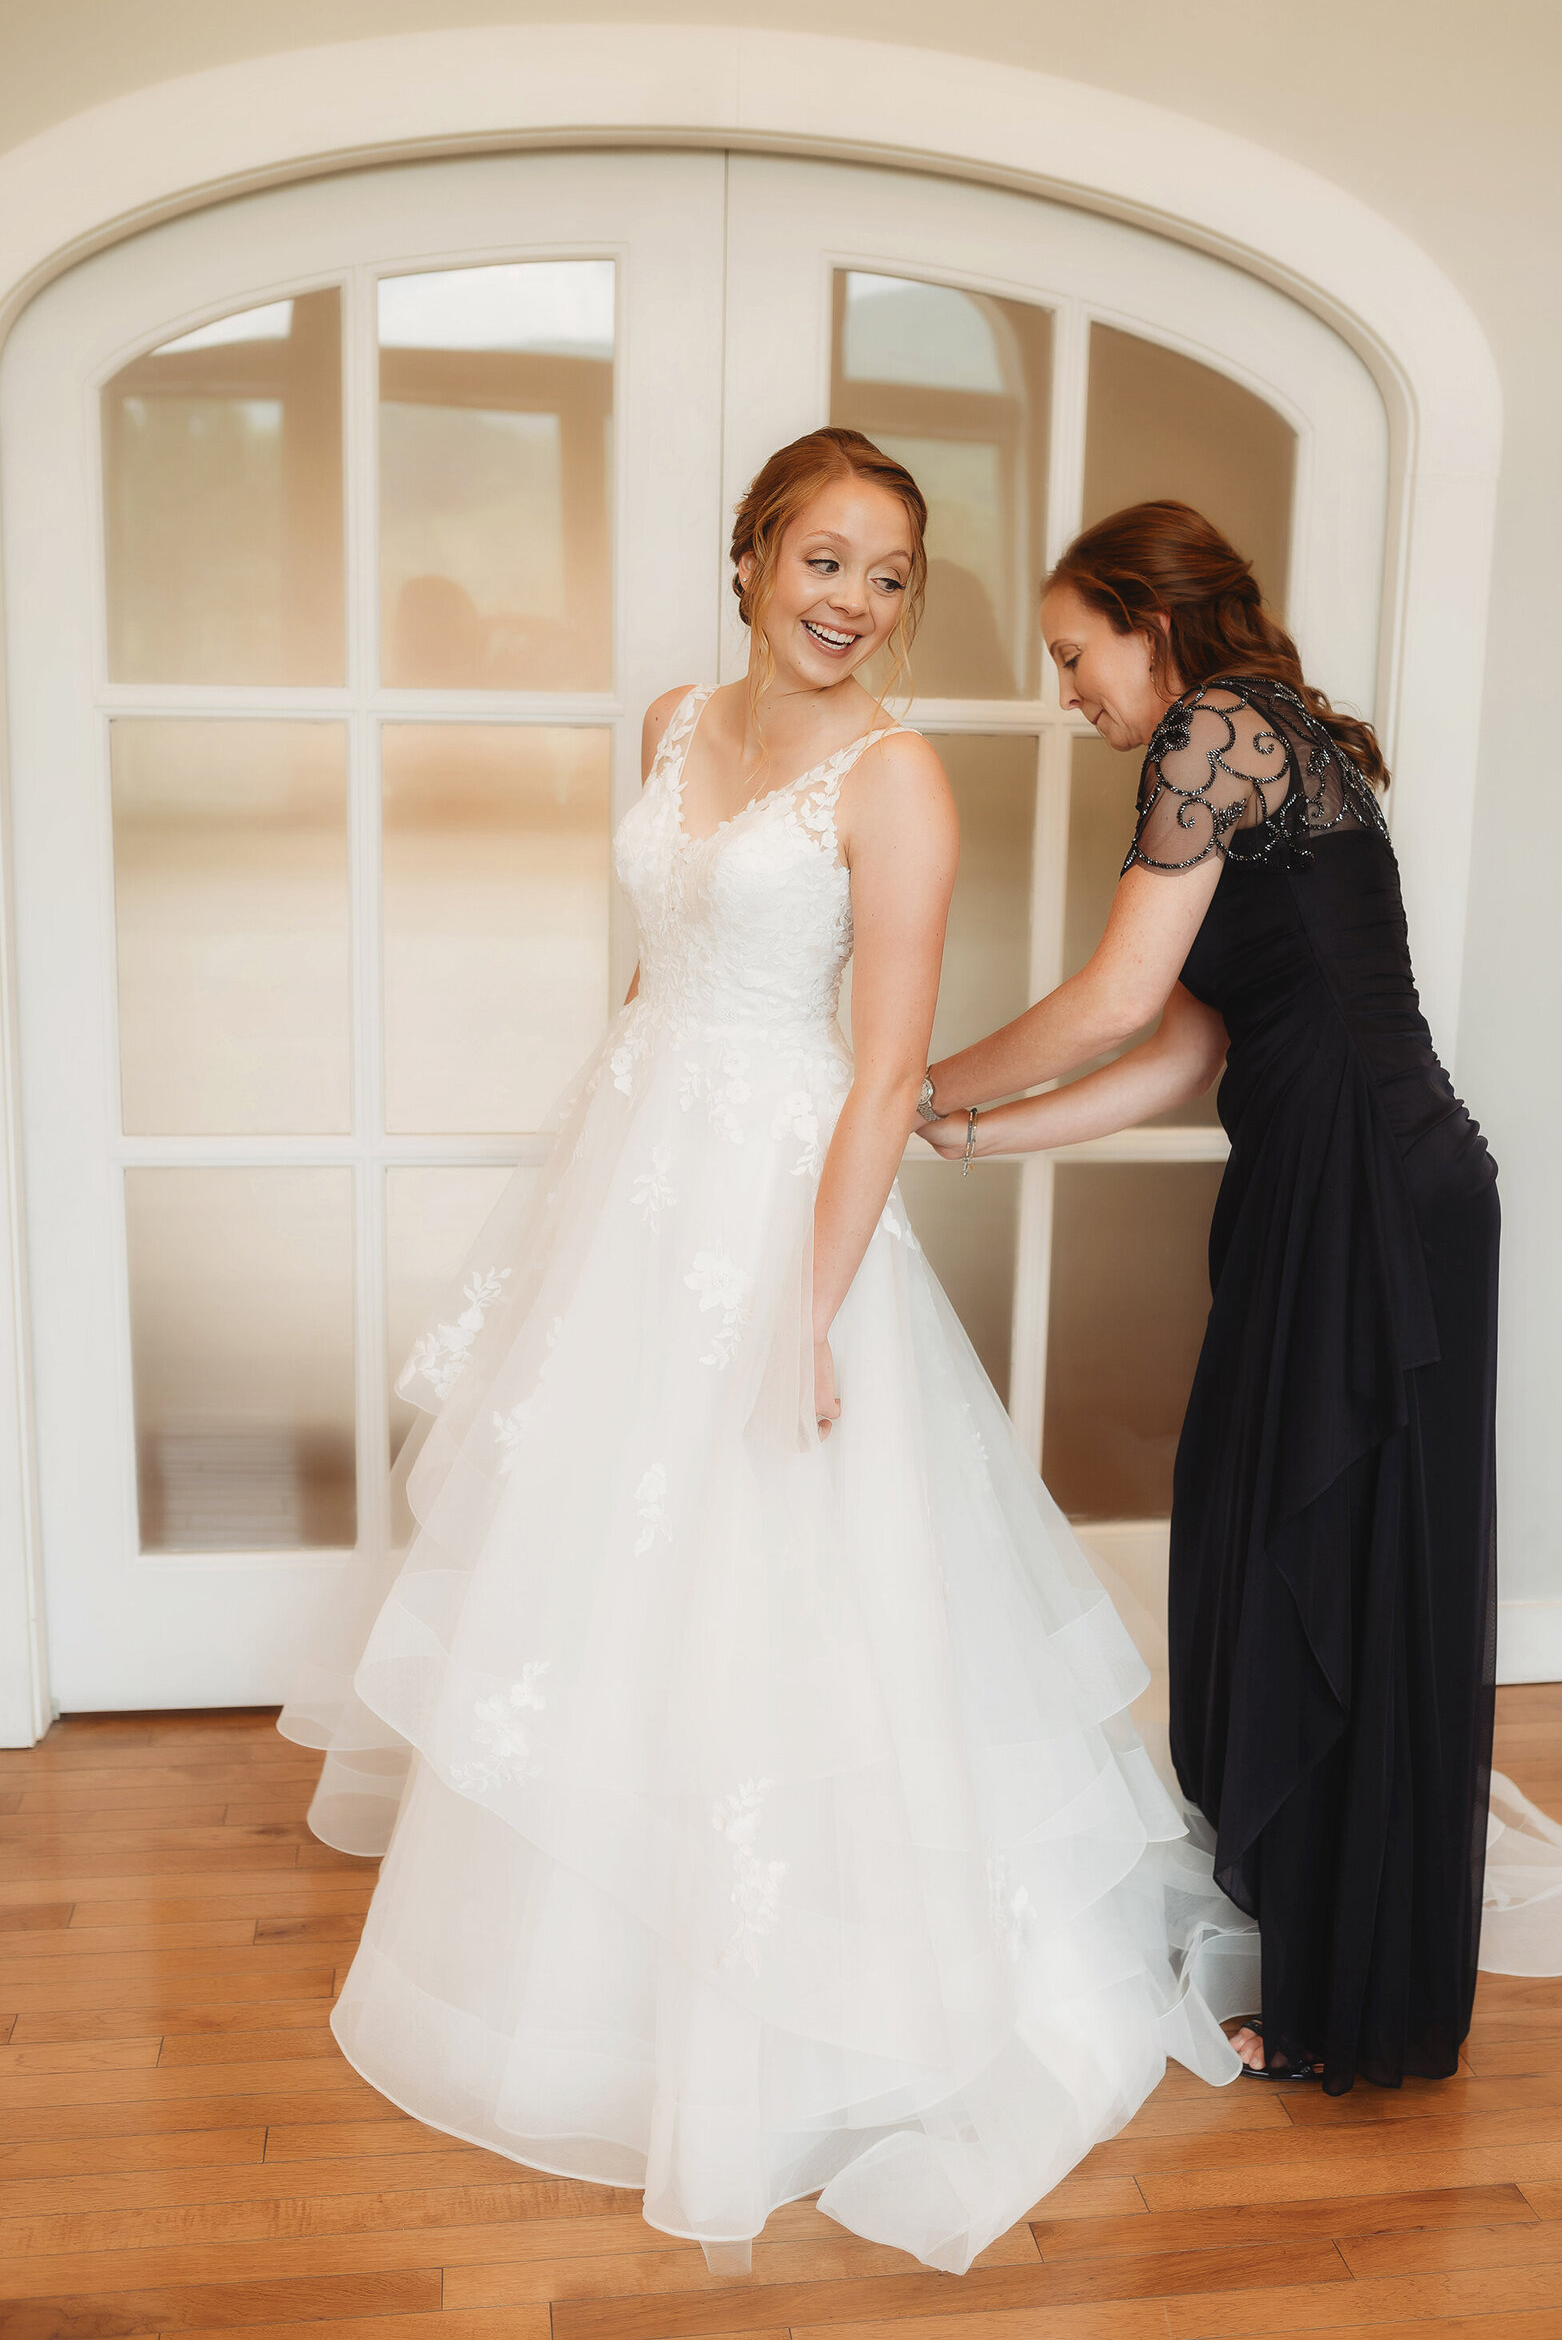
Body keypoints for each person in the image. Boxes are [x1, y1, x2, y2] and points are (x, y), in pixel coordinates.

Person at [281, 433, 1248, 2279]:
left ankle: (799, 1982)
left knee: (773, 1569)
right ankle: (578, 1951)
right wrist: (588, 1194)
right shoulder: (667, 719)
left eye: (891, 576)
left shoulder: (898, 782)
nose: (853, 604)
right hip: (642, 1165)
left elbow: (884, 1067)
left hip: (784, 1198)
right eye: (824, 559)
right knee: (593, 1570)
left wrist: (807, 1301)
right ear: (750, 559)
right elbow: (655, 976)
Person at [921, 500, 1501, 2091]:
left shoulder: (1216, 730)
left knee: (1335, 1563)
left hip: (1370, 1196)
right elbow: (1182, 1049)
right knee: (1305, 1556)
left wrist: (904, 1078)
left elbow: (1111, 999)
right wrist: (963, 1130)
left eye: (1071, 652)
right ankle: (1339, 1976)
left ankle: (1346, 2005)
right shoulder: (1266, 738)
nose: (1066, 692)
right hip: (1355, 1189)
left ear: (1149, 621)